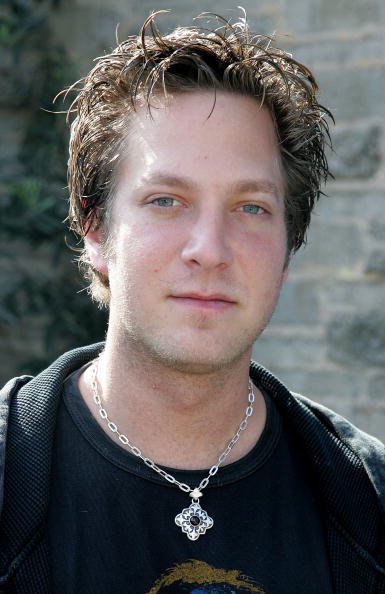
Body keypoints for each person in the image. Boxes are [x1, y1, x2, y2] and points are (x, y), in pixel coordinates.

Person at [0, 10, 384, 594]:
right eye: (165, 200)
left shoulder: (368, 500)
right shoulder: (10, 478)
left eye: (251, 207)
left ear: (288, 248)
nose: (210, 250)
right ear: (95, 229)